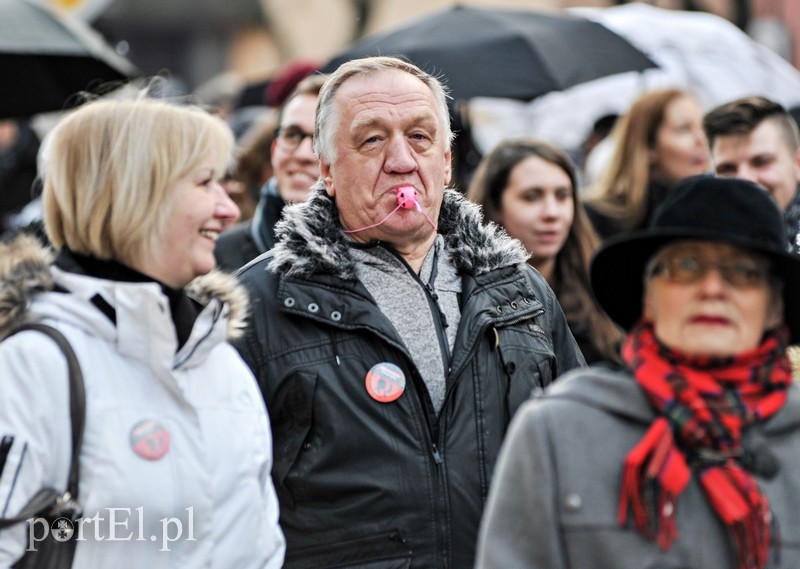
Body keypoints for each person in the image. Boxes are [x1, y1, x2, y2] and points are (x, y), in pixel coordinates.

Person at [233, 56, 585, 569]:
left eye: (419, 138)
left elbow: (575, 456)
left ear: (446, 161)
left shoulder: (519, 291)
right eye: (372, 140)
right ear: (327, 169)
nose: (401, 160)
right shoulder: (261, 301)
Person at [0, 95, 285, 567]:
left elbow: (260, 547)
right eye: (205, 182)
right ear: (137, 194)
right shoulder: (32, 364)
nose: (228, 209)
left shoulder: (218, 358)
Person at [475, 175, 800, 569]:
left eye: (744, 272)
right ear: (648, 295)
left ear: (775, 307)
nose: (713, 288)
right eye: (686, 265)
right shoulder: (558, 430)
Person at [466, 137, 623, 364]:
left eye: (562, 196)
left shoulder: (605, 288)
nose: (552, 212)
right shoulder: (466, 298)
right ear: (496, 205)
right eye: (531, 197)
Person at [214, 74, 325, 272]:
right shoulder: (222, 252)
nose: (303, 154)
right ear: (274, 148)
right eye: (292, 135)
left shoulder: (376, 257)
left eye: (321, 139)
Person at [583, 88, 710, 240]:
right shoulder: (594, 218)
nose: (701, 140)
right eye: (683, 129)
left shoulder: (713, 213)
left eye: (703, 127)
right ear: (648, 145)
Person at [703, 96, 800, 254]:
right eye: (727, 169)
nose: (744, 179)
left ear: (797, 164)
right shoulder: (699, 238)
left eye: (761, 162)